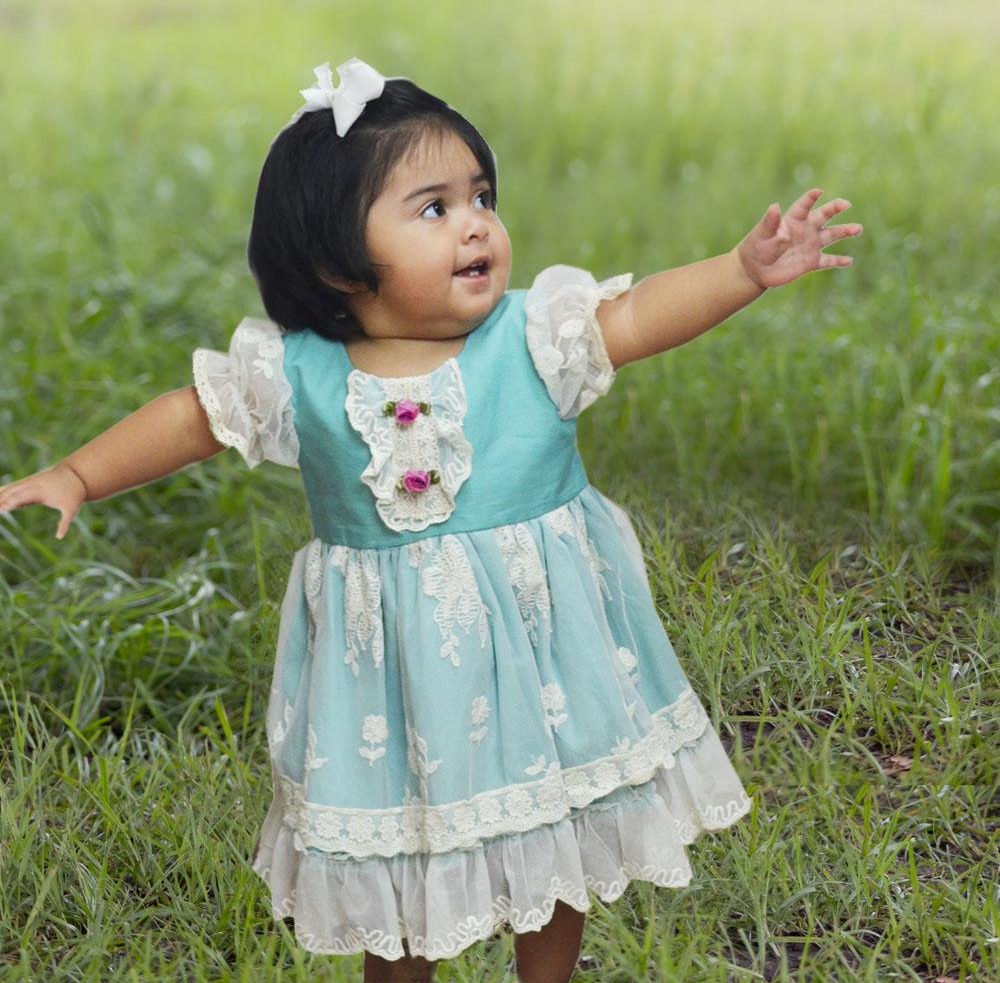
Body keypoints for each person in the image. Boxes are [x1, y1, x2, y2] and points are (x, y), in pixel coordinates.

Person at [0, 56, 862, 983]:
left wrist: (742, 270)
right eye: (433, 208)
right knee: (397, 853)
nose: (476, 223)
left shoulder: (536, 338)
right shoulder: (297, 373)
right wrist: (78, 474)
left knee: (554, 825)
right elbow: (190, 418)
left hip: (545, 656)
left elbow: (643, 314)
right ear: (336, 260)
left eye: (480, 195)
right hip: (392, 676)